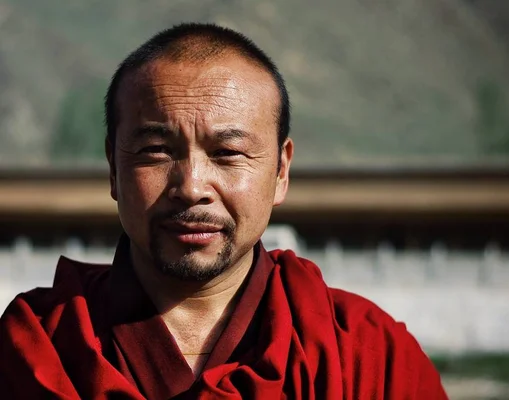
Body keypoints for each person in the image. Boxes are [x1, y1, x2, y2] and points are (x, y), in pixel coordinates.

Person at [0, 23, 447, 399]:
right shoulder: (37, 346)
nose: (191, 187)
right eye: (156, 150)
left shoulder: (366, 354)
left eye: (228, 152)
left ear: (280, 171)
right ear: (113, 168)